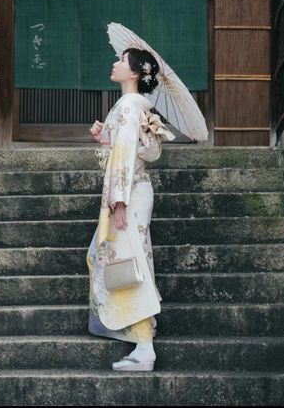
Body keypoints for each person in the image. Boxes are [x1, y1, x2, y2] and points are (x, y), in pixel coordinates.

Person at [86, 47, 176, 371]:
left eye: (122, 60)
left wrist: (119, 202)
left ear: (135, 73)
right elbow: (142, 151)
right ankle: (141, 341)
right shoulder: (140, 106)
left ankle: (144, 346)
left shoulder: (128, 105)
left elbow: (125, 156)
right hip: (136, 188)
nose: (115, 63)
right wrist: (104, 139)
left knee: (127, 261)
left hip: (129, 193)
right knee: (125, 258)